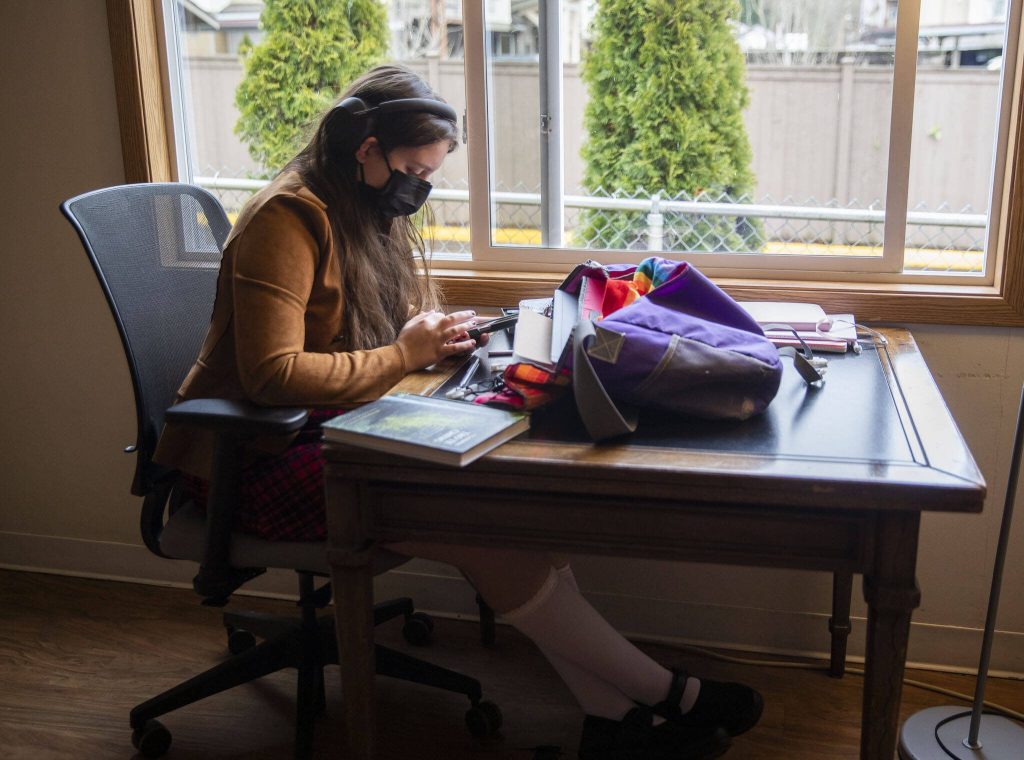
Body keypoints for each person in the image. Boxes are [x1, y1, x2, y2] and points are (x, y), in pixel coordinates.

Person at [154, 64, 762, 759]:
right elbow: (271, 376)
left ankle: (613, 719)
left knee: (508, 510)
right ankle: (666, 694)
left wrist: (430, 335)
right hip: (249, 459)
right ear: (365, 147)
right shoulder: (286, 220)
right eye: (412, 168)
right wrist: (404, 356)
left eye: (430, 172)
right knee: (474, 524)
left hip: (321, 429)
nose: (419, 187)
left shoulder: (361, 207)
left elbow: (348, 332)